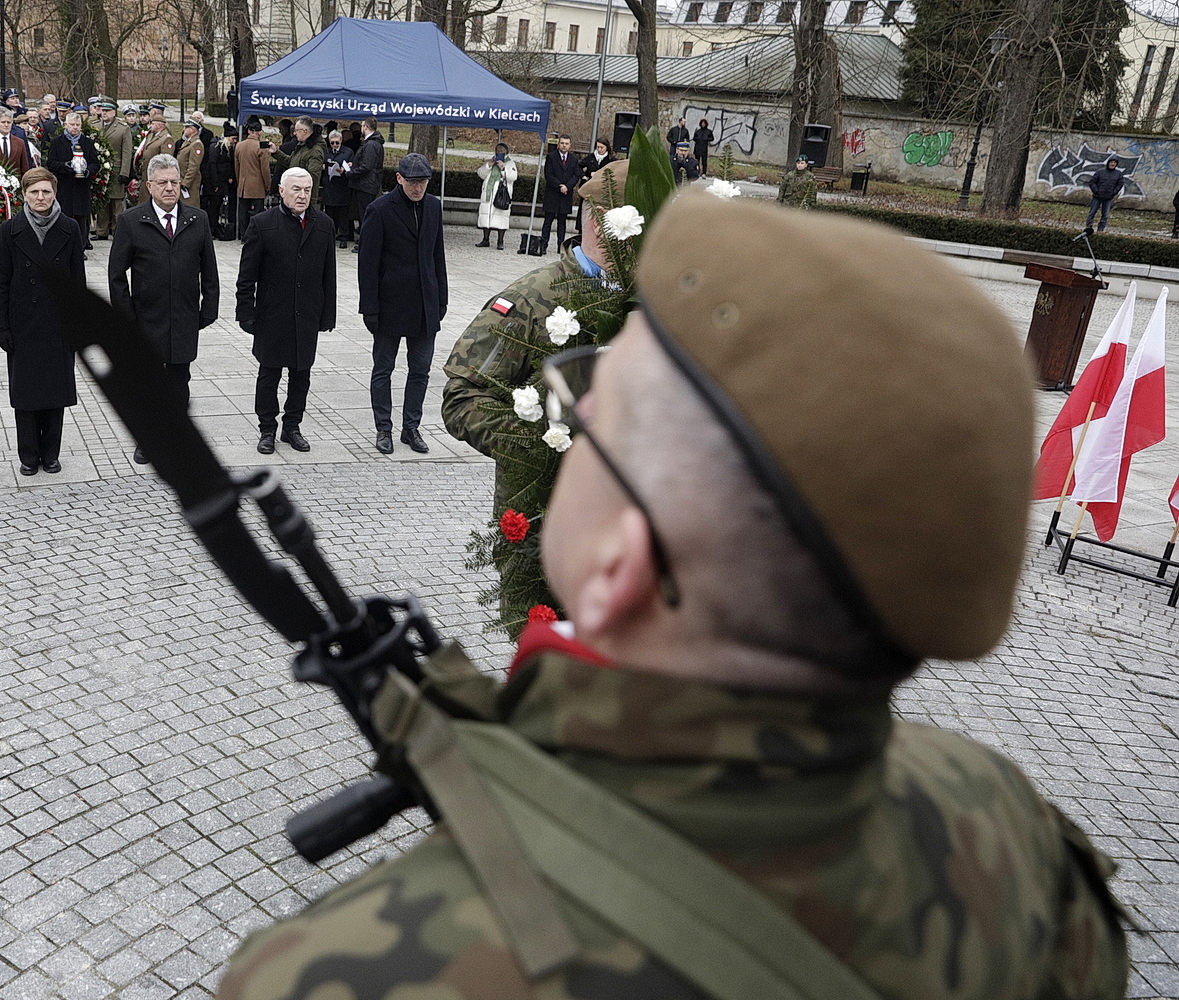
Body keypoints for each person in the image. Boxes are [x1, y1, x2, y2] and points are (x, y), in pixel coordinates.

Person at [220, 193, 1131, 1000]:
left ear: (624, 561)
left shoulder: (337, 976)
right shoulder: (1010, 829)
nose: (575, 410)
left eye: (595, 404)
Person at [445, 160, 621, 522]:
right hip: (542, 516)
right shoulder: (531, 298)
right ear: (603, 222)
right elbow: (462, 398)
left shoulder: (652, 303)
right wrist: (540, 445)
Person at [108, 153, 219, 465]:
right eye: (162, 183)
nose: (169, 188)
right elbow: (116, 275)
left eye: (174, 182)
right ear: (149, 186)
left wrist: (208, 308)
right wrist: (127, 317)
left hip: (184, 317)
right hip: (146, 318)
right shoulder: (132, 221)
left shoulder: (198, 219)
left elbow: (209, 269)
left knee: (180, 381)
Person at [236, 166, 336, 455]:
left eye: (307, 190)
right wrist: (246, 312)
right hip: (272, 314)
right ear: (281, 191)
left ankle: (292, 426)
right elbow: (247, 275)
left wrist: (327, 314)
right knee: (269, 374)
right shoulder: (263, 223)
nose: (302, 195)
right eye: (296, 190)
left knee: (301, 374)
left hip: (307, 313)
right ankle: (267, 428)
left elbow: (329, 275)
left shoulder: (324, 224)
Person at [0, 166, 83, 476]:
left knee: (55, 392)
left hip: (59, 324)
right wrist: (2, 325)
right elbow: (1, 282)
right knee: (26, 393)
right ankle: (29, 455)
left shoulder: (70, 228)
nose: (40, 197)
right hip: (23, 324)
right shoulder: (10, 230)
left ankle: (51, 453)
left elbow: (77, 282)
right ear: (24, 195)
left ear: (55, 193)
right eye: (34, 192)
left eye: (46, 191)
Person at [357, 152, 448, 455]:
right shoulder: (379, 209)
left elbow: (437, 255)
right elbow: (367, 264)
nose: (418, 188)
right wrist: (369, 307)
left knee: (420, 370)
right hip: (390, 305)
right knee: (383, 368)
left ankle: (411, 428)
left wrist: (442, 298)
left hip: (425, 304)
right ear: (399, 179)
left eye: (423, 182)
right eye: (412, 182)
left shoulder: (433, 206)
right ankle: (383, 428)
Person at [47, 110, 99, 244]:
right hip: (65, 186)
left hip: (82, 186)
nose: (75, 127)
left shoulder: (87, 142)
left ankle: (81, 245)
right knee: (64, 216)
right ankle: (63, 244)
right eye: (72, 124)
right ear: (65, 125)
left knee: (82, 219)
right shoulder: (57, 142)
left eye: (77, 125)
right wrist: (64, 166)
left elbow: (95, 163)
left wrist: (88, 171)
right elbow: (50, 163)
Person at [91, 97, 134, 241]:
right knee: (102, 201)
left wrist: (124, 172)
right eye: (102, 110)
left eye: (107, 111)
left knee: (117, 203)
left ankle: (118, 231)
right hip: (100, 170)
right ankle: (101, 231)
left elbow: (127, 152)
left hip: (116, 170)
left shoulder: (123, 128)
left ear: (114, 112)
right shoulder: (95, 126)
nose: (104, 113)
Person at [346, 116, 384, 252]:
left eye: (362, 126)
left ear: (366, 127)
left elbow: (367, 166)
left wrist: (351, 172)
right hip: (367, 184)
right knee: (364, 215)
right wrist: (355, 164)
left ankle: (366, 243)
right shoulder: (372, 143)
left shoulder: (371, 145)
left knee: (365, 216)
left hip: (366, 185)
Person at [539, 134, 581, 254]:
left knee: (562, 223)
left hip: (566, 195)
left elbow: (576, 175)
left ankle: (561, 247)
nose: (564, 145)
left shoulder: (574, 159)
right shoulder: (551, 157)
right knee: (548, 221)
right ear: (558, 144)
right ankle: (543, 245)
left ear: (570, 145)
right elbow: (548, 175)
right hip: (552, 193)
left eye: (566, 143)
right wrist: (559, 186)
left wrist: (567, 186)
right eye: (562, 143)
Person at [274, 117, 325, 208]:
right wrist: (275, 152)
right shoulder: (303, 146)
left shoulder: (315, 151)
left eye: (296, 130)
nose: (294, 133)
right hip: (295, 195)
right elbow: (291, 162)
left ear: (304, 131)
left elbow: (312, 178)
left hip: (303, 199)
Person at [475, 142, 518, 250]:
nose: (499, 152)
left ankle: (500, 241)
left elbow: (513, 177)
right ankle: (485, 239)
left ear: (506, 152)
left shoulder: (510, 163)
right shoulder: (492, 160)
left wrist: (503, 168)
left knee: (501, 217)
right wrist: (489, 165)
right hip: (488, 194)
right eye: (497, 150)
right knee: (486, 217)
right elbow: (481, 173)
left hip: (501, 194)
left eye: (501, 150)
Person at [234, 120, 272, 239]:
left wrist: (240, 180)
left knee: (243, 212)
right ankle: (255, 235)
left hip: (243, 184)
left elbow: (237, 167)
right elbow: (265, 169)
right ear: (259, 132)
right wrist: (268, 185)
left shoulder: (239, 145)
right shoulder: (261, 147)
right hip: (258, 185)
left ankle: (243, 235)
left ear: (249, 131)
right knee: (258, 213)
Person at [135, 104, 177, 202]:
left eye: (153, 124)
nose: (150, 126)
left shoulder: (166, 139)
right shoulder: (151, 135)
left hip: (156, 176)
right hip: (146, 175)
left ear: (159, 125)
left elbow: (166, 161)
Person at [321, 129, 353, 248]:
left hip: (342, 186)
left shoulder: (348, 152)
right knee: (329, 212)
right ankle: (330, 235)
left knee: (343, 213)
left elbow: (352, 165)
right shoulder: (326, 152)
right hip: (329, 186)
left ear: (341, 141)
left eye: (337, 143)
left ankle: (344, 236)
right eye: (332, 143)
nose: (334, 145)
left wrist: (345, 169)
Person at [1086, 156, 1124, 233]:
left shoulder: (1118, 174)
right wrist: (1096, 191)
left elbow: (1120, 184)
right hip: (1097, 196)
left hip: (1108, 197)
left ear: (1116, 164)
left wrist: (1114, 192)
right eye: (1111, 162)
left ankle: (1100, 230)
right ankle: (1088, 227)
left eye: (1114, 163)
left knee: (1105, 215)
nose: (1113, 164)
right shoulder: (1100, 172)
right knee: (1092, 213)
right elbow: (1092, 182)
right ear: (1108, 163)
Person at [177, 119, 205, 209]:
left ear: (192, 130)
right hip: (182, 179)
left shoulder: (196, 144)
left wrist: (185, 183)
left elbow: (193, 166)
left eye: (186, 127)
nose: (183, 129)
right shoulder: (187, 142)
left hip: (189, 183)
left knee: (190, 206)